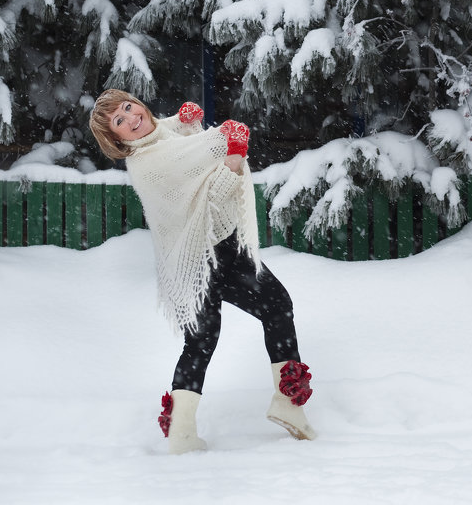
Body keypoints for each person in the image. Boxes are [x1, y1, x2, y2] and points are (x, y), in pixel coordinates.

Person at [89, 89, 316, 453]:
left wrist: (186, 122)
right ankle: (270, 407)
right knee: (239, 323)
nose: (132, 118)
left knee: (237, 323)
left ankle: (272, 409)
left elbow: (173, 140)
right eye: (120, 121)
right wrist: (232, 157)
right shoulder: (150, 163)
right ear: (116, 140)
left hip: (207, 254)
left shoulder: (158, 139)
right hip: (205, 257)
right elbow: (207, 191)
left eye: (128, 107)